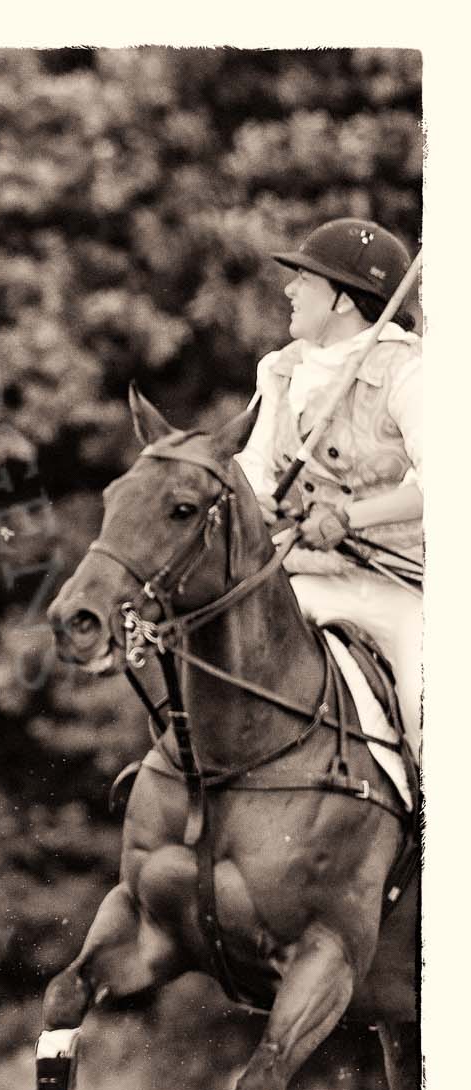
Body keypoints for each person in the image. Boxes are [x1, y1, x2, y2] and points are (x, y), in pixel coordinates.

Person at [234, 217, 422, 758]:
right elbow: (253, 469)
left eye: (306, 282)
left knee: (426, 719)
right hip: (303, 582)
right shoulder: (280, 370)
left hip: (400, 593)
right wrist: (257, 504)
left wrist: (348, 519)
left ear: (342, 300)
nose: (290, 290)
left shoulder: (412, 373)